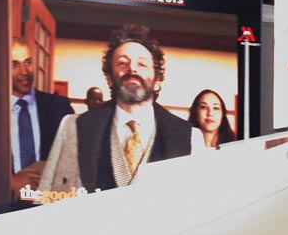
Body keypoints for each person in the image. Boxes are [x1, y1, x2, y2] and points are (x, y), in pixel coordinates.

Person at [38, 25, 197, 197]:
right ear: (109, 79)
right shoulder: (72, 127)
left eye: (142, 64)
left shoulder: (190, 137)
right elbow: (45, 197)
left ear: (157, 80)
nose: (132, 69)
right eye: (122, 62)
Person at [8, 20, 74, 177]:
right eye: (14, 65)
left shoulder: (59, 107)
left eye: (28, 62)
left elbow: (74, 156)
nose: (24, 71)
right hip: (7, 198)